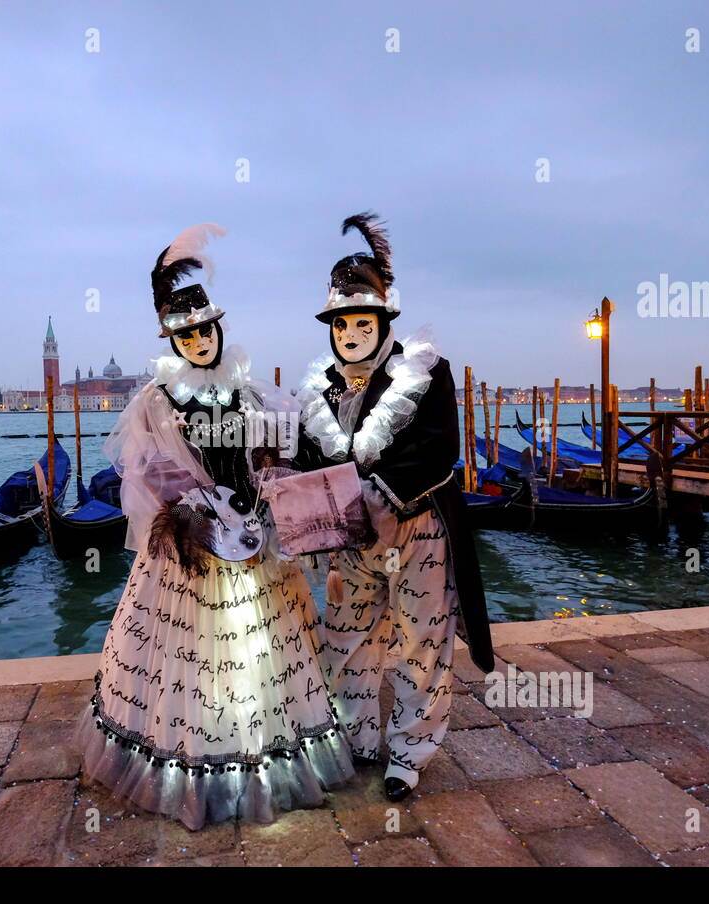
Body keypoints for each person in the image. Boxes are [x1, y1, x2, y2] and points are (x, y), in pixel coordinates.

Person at [78, 224, 355, 830]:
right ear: (173, 339)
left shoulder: (254, 393)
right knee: (193, 665)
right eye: (187, 333)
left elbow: (283, 453)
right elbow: (149, 471)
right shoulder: (156, 400)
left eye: (206, 329)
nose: (200, 340)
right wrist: (197, 516)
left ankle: (269, 759)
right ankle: (192, 767)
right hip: (190, 550)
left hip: (255, 544)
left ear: (219, 329)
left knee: (259, 660)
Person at [294, 212, 495, 802]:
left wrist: (380, 495)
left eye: (362, 320)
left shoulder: (426, 373)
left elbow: (438, 450)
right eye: (341, 322)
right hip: (351, 542)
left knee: (421, 640)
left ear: (383, 320)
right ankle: (356, 737)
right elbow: (311, 462)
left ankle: (409, 751)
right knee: (346, 635)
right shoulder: (319, 390)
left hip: (419, 528)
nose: (351, 332)